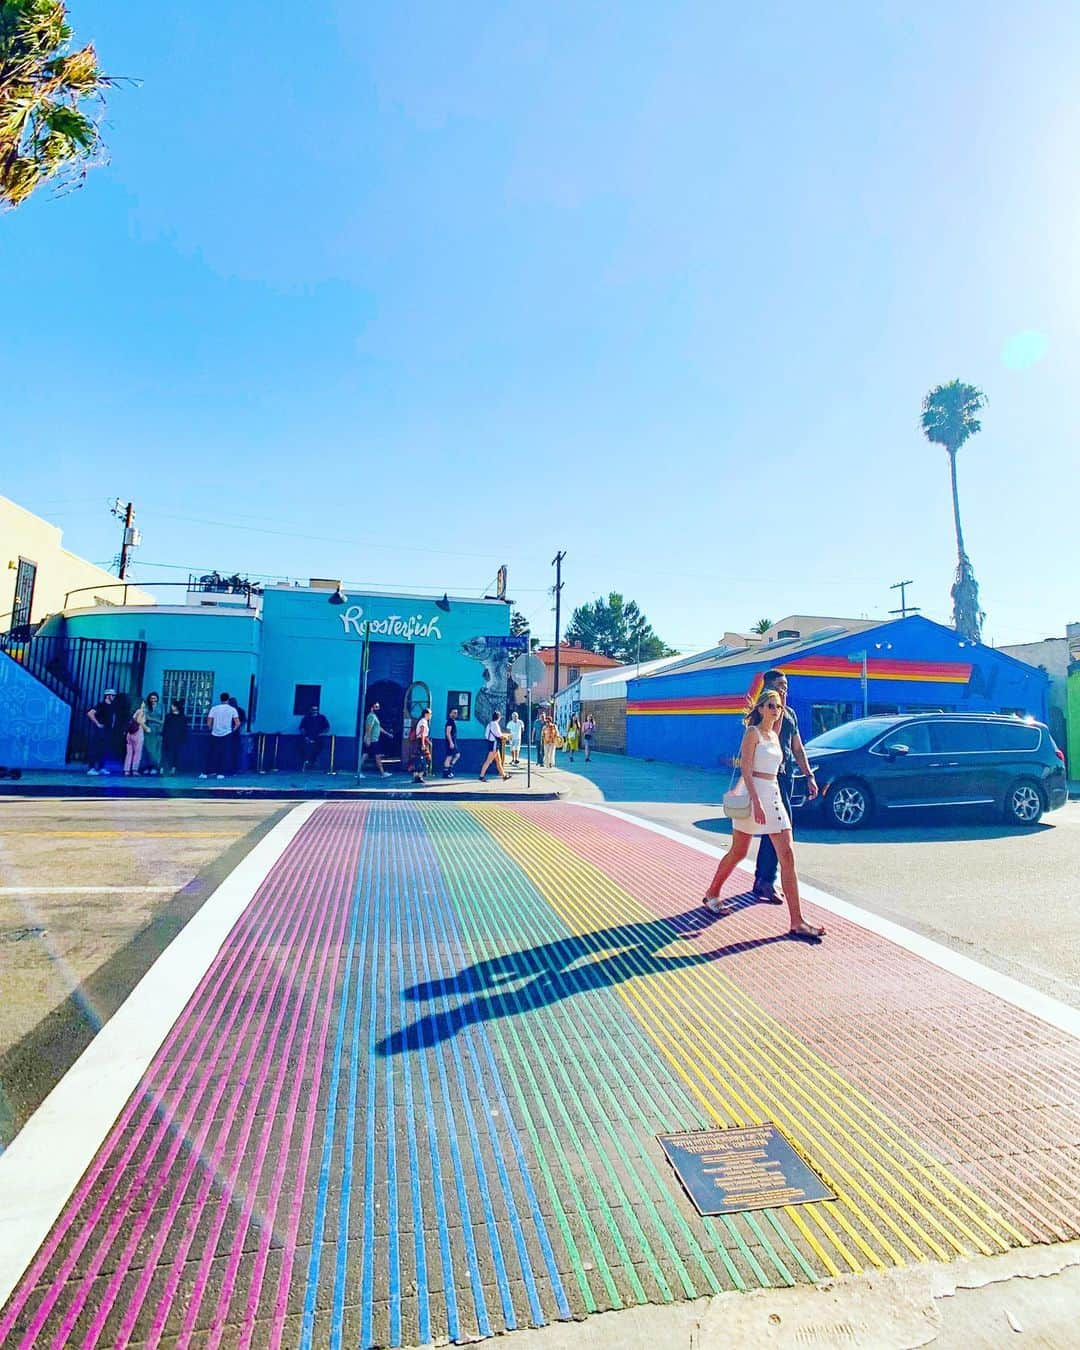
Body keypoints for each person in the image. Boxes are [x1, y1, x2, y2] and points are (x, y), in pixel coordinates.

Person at [701, 688, 825, 941]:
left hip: (774, 793)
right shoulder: (752, 733)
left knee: (787, 855)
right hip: (755, 793)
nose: (774, 710)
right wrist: (756, 802)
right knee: (739, 851)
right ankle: (712, 892)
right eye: (769, 705)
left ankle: (797, 920)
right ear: (759, 708)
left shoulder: (774, 735)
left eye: (778, 706)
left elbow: (789, 757)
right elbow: (746, 768)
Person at [751, 669, 818, 903]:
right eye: (780, 685)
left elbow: (797, 748)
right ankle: (767, 881)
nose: (784, 689)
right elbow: (767, 739)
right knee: (779, 831)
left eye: (786, 685)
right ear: (768, 687)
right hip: (770, 778)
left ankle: (762, 879)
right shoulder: (763, 714)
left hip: (786, 776)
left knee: (774, 831)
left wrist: (809, 775)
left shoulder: (789, 713)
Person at [200, 692, 239, 779]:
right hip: (227, 734)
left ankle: (206, 772)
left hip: (215, 733)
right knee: (224, 754)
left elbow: (209, 721)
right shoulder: (232, 710)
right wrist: (232, 730)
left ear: (220, 699)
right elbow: (237, 723)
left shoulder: (214, 708)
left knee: (211, 753)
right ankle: (220, 773)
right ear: (228, 699)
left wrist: (211, 728)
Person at [86, 690, 117, 775]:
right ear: (107, 696)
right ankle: (91, 768)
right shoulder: (101, 705)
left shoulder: (112, 706)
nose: (114, 697)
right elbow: (90, 713)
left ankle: (101, 767)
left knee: (104, 749)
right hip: (100, 731)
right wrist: (98, 724)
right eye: (112, 696)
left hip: (108, 730)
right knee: (96, 748)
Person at [361, 701, 392, 777]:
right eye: (376, 707)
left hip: (372, 739)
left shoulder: (374, 716)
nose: (378, 708)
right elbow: (369, 728)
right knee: (377, 756)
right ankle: (382, 773)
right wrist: (368, 738)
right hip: (372, 740)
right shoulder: (371, 716)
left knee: (365, 756)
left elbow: (378, 728)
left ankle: (359, 772)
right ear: (372, 708)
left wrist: (387, 733)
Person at [479, 709, 509, 781]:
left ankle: (504, 775)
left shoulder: (489, 724)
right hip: (494, 744)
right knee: (488, 761)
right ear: (498, 717)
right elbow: (499, 735)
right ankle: (481, 776)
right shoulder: (495, 724)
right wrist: (506, 737)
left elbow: (486, 735)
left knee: (498, 761)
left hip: (492, 743)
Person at [299, 704, 330, 770]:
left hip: (318, 737)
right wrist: (306, 737)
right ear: (310, 710)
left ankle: (312, 760)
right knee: (301, 747)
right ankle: (307, 761)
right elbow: (302, 728)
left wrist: (322, 733)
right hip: (308, 736)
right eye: (313, 710)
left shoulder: (322, 718)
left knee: (320, 746)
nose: (315, 711)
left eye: (316, 710)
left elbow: (327, 727)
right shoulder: (306, 718)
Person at [162, 699, 187, 775]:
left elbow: (184, 729)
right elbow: (165, 727)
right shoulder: (168, 716)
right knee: (167, 753)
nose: (171, 706)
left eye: (173, 705)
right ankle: (165, 768)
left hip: (177, 738)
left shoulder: (183, 717)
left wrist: (183, 738)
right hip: (168, 738)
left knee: (176, 754)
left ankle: (173, 769)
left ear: (176, 707)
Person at [141, 692, 164, 774]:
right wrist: (157, 721)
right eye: (152, 698)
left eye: (155, 698)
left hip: (158, 730)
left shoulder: (161, 707)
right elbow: (146, 718)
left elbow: (163, 719)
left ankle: (155, 767)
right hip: (148, 729)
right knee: (148, 749)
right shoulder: (147, 707)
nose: (153, 700)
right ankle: (147, 767)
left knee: (156, 750)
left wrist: (159, 724)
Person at [123, 699, 147, 776]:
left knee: (129, 753)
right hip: (138, 733)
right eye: (143, 703)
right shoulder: (141, 711)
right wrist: (146, 728)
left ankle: (126, 770)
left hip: (129, 733)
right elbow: (139, 721)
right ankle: (134, 770)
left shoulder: (132, 711)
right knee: (137, 753)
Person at [411, 706, 432, 783]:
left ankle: (417, 776)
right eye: (430, 714)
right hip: (421, 741)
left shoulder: (423, 721)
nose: (431, 716)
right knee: (425, 759)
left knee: (419, 759)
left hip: (420, 741)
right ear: (426, 714)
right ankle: (419, 775)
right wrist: (423, 744)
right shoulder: (423, 721)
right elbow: (422, 733)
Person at [228, 697, 247, 775]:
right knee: (234, 752)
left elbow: (243, 721)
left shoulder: (235, 711)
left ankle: (232, 769)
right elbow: (243, 721)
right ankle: (233, 769)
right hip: (234, 733)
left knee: (233, 752)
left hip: (230, 733)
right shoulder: (239, 711)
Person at [443, 708, 462, 778]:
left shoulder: (453, 721)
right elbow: (448, 733)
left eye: (456, 713)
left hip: (453, 741)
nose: (455, 714)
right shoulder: (450, 722)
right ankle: (446, 773)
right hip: (450, 742)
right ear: (450, 714)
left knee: (457, 755)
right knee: (449, 756)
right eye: (453, 713)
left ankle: (449, 770)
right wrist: (451, 742)